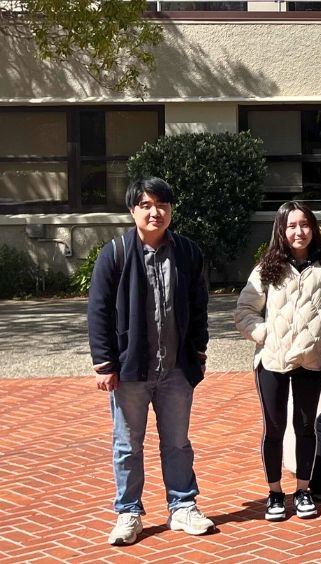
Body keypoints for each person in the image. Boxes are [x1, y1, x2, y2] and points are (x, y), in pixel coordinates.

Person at [87, 177, 213, 545]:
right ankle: (129, 512)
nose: (155, 211)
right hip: (130, 372)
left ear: (171, 209)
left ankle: (182, 506)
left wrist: (199, 351)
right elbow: (98, 311)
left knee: (177, 443)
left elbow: (200, 306)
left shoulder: (188, 252)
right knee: (127, 445)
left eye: (162, 204)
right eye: (146, 204)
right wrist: (104, 364)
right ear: (132, 210)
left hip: (176, 369)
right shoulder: (115, 253)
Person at [234, 201, 321, 522]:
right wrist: (265, 334)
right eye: (292, 225)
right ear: (281, 229)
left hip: (310, 361)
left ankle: (304, 490)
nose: (299, 232)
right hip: (272, 362)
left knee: (307, 426)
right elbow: (244, 312)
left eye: (304, 225)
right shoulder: (266, 269)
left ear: (313, 228)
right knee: (274, 427)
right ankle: (275, 493)